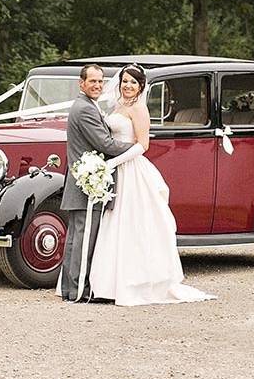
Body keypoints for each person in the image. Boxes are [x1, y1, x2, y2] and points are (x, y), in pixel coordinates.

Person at [89, 64, 216, 306]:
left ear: (141, 87)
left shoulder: (139, 109)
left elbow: (143, 145)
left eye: (133, 83)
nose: (127, 86)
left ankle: (135, 283)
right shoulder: (119, 106)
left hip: (131, 168)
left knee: (133, 224)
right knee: (112, 224)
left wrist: (112, 162)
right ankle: (108, 284)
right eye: (125, 81)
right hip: (116, 168)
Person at [57, 64, 133, 302]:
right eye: (93, 81)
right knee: (83, 239)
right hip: (88, 184)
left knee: (75, 238)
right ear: (82, 84)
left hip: (82, 181)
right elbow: (105, 144)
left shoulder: (86, 106)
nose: (98, 85)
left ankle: (70, 289)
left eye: (100, 81)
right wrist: (136, 147)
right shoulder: (85, 109)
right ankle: (79, 291)